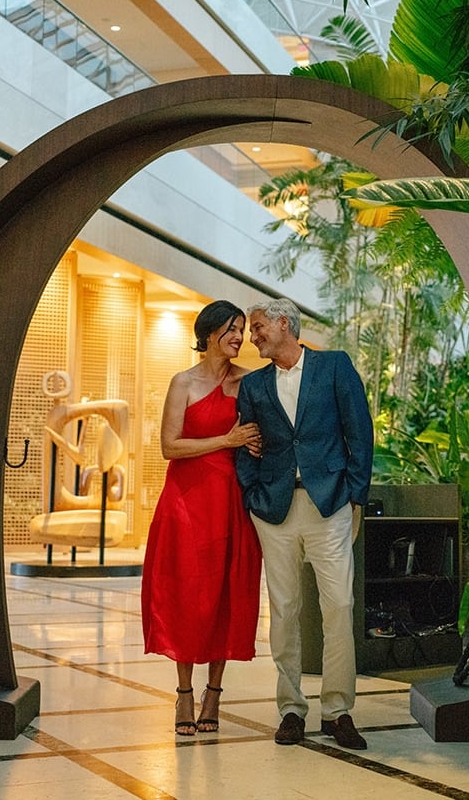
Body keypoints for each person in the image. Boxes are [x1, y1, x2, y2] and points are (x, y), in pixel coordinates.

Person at [235, 298, 374, 751]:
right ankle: (291, 709)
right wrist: (253, 495)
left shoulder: (334, 367)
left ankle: (338, 710)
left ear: (283, 323)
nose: (252, 336)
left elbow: (360, 432)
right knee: (284, 610)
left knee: (339, 606)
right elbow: (246, 444)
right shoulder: (254, 385)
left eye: (258, 327)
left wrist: (354, 494)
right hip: (274, 510)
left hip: (329, 505)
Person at [141, 300, 263, 736]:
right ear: (209, 333)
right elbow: (169, 446)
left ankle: (214, 692)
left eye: (242, 329)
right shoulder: (183, 382)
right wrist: (226, 440)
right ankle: (184, 693)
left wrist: (252, 444)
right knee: (186, 594)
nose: (239, 337)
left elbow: (259, 436)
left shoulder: (249, 382)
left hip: (231, 501)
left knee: (225, 594)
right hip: (186, 503)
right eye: (232, 329)